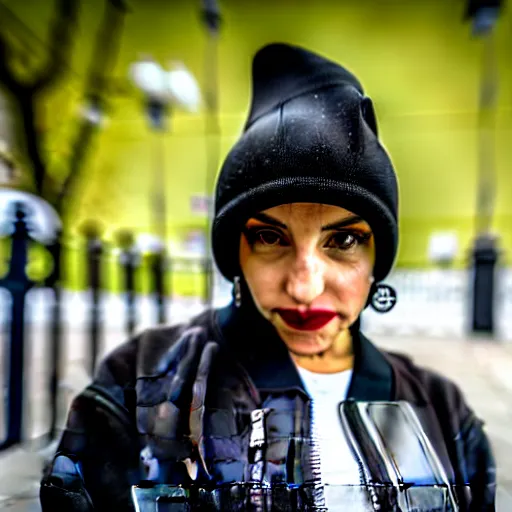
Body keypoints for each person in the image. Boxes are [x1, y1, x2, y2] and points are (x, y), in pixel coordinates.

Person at [40, 43, 496, 511]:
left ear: (377, 255)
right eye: (270, 238)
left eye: (342, 241)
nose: (304, 286)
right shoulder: (138, 386)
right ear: (235, 250)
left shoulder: (442, 414)